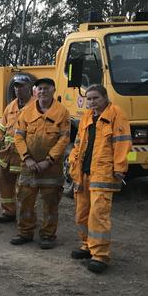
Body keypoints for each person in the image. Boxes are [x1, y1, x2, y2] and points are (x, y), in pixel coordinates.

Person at [69, 84, 131, 273]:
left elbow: (122, 142)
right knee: (82, 212)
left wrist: (120, 167)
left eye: (95, 98)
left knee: (99, 214)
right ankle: (87, 245)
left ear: (105, 97)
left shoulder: (116, 114)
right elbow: (78, 142)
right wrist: (72, 162)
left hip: (103, 173)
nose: (92, 102)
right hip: (84, 172)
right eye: (89, 98)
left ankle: (100, 255)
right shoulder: (87, 116)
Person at [12, 77, 69, 249]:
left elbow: (64, 139)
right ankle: (25, 232)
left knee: (50, 203)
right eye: (40, 89)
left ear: (53, 90)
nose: (43, 91)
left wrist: (49, 160)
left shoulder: (62, 113)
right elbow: (18, 136)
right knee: (25, 200)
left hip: (51, 168)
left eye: (46, 88)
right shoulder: (26, 112)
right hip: (28, 167)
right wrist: (27, 158)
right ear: (35, 92)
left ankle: (48, 235)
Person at [0, 75, 34, 223]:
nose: (18, 89)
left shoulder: (36, 107)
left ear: (29, 87)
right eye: (16, 86)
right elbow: (2, 127)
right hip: (8, 155)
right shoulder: (10, 107)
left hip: (25, 157)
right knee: (5, 184)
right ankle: (8, 212)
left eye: (21, 86)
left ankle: (26, 218)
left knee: (25, 189)